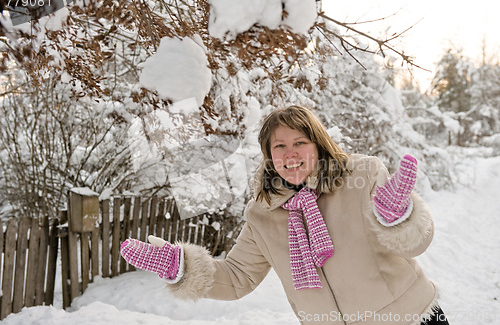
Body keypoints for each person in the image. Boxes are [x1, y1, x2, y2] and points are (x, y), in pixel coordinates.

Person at [120, 105, 449, 324]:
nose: (290, 154)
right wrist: (182, 267)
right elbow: (237, 277)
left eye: (300, 142)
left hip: (411, 319)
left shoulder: (361, 177)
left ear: (318, 145)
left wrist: (398, 218)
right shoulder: (263, 215)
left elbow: (416, 245)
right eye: (279, 146)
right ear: (268, 155)